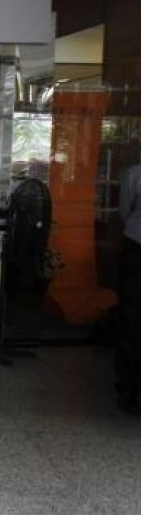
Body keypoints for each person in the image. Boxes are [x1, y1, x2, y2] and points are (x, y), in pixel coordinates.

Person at [116, 161, 141, 415]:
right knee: (131, 318)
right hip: (136, 249)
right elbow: (125, 212)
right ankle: (128, 388)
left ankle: (129, 388)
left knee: (132, 318)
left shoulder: (134, 174)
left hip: (136, 244)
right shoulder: (134, 174)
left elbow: (125, 211)